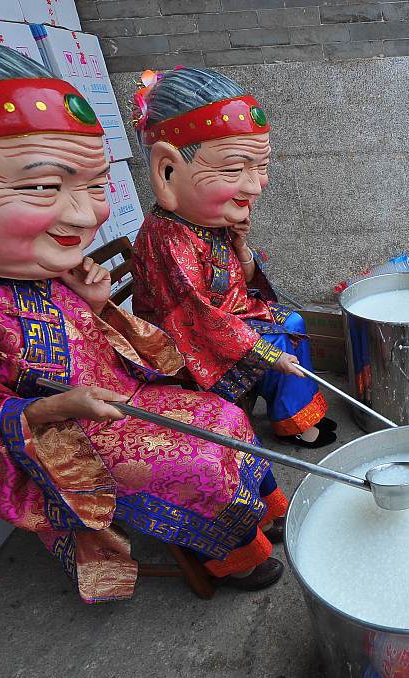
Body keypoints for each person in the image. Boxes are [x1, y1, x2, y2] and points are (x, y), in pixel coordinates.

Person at [0, 37, 290, 600]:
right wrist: (55, 407)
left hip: (116, 392)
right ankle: (237, 555)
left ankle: (261, 508)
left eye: (93, 186)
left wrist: (91, 307)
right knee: (201, 460)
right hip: (63, 431)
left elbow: (72, 333)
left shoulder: (18, 256)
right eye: (44, 186)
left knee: (224, 417)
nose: (85, 213)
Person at [130, 68, 334, 449]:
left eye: (261, 166)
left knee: (291, 319)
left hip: (231, 318)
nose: (256, 185)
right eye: (235, 168)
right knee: (280, 339)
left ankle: (292, 417)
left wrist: (241, 250)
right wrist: (264, 352)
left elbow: (243, 282)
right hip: (187, 340)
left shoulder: (208, 219)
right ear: (168, 170)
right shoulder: (168, 238)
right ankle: (292, 420)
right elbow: (193, 315)